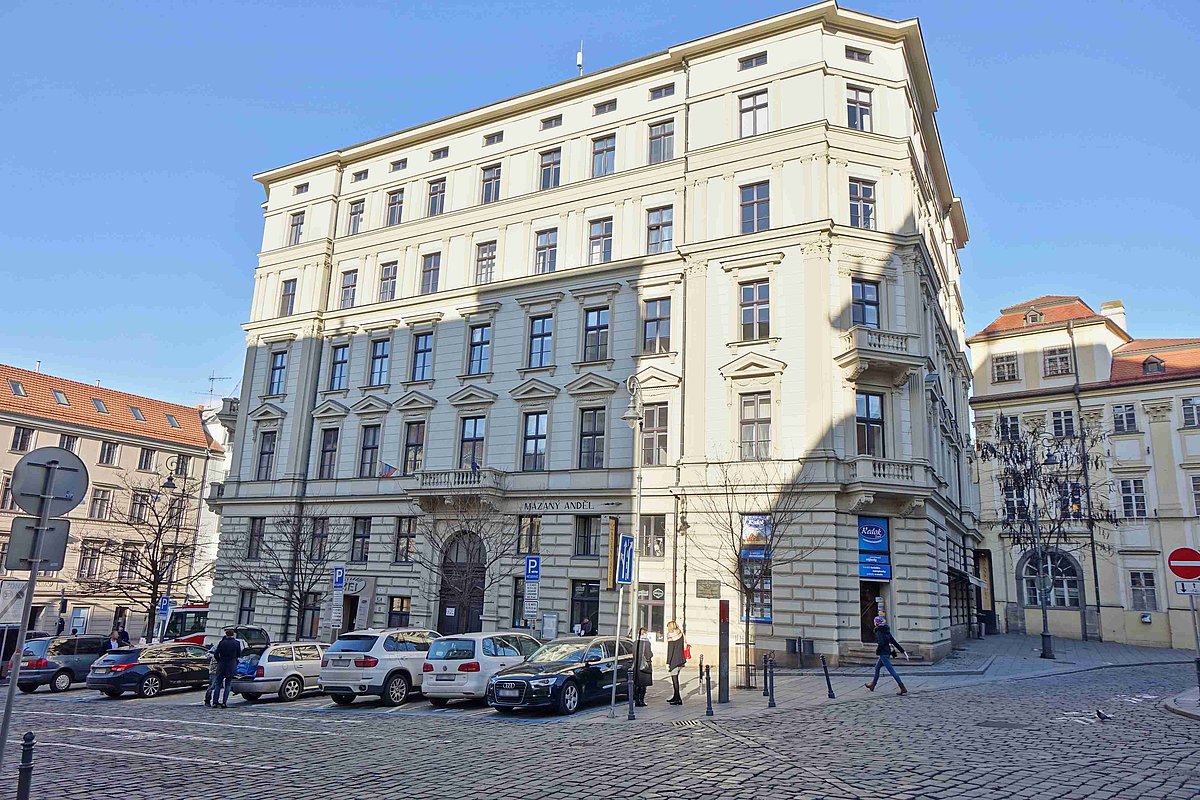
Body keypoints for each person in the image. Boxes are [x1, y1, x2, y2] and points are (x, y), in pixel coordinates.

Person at [864, 615, 908, 696]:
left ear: (876, 623)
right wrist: (903, 651)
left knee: (891, 671)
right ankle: (873, 685)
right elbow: (894, 642)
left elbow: (881, 642)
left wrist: (878, 650)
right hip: (887, 652)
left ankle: (902, 687)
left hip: (883, 653)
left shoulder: (878, 631)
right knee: (877, 668)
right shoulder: (886, 630)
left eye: (875, 622)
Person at [212, 629, 242, 708]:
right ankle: (224, 702)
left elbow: (216, 654)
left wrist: (220, 661)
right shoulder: (237, 643)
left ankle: (215, 702)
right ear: (233, 635)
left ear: (226, 635)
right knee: (228, 684)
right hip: (231, 665)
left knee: (218, 684)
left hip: (222, 664)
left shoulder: (222, 642)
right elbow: (239, 654)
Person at [664, 620, 686, 705]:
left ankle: (678, 699)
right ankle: (675, 697)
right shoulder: (680, 634)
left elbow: (670, 650)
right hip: (681, 659)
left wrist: (668, 662)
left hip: (674, 661)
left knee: (675, 680)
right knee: (676, 679)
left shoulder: (671, 636)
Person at [633, 627, 654, 707]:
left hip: (637, 666)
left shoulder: (635, 642)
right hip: (644, 666)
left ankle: (636, 701)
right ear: (644, 633)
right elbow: (649, 654)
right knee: (643, 685)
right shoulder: (647, 643)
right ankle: (641, 701)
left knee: (637, 684)